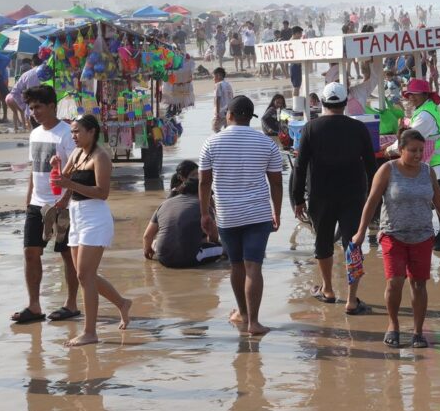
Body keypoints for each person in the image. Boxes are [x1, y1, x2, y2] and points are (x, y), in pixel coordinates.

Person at [351, 129, 440, 349]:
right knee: (395, 282)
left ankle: (418, 331)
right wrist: (361, 231)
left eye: (421, 150)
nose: (418, 155)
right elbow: (371, 201)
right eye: (412, 150)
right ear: (401, 150)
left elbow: (439, 201)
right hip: (393, 235)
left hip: (422, 235)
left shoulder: (428, 172)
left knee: (419, 284)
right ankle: (394, 325)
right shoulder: (387, 170)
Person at [199, 95, 283, 336]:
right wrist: (276, 212)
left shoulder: (211, 143)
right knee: (253, 266)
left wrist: (205, 213)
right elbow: (276, 183)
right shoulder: (266, 143)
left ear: (229, 115)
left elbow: (204, 182)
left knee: (236, 266)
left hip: (227, 215)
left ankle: (243, 314)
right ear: (250, 117)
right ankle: (254, 323)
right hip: (258, 214)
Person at [291, 82, 377, 313]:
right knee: (353, 244)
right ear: (344, 102)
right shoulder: (358, 128)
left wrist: (298, 198)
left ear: (322, 102)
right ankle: (352, 299)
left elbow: (299, 167)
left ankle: (328, 290)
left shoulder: (310, 128)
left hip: (321, 194)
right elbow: (371, 164)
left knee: (323, 240)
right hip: (353, 194)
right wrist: (374, 197)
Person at [55, 114, 131, 346]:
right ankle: (122, 303)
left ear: (92, 132)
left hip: (95, 217)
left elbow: (102, 192)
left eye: (77, 131)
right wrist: (57, 167)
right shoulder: (77, 153)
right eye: (72, 132)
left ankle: (90, 332)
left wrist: (70, 186)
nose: (74, 136)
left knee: (85, 275)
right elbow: (65, 176)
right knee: (83, 274)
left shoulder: (101, 157)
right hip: (77, 214)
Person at [12, 85, 80, 325]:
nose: (34, 112)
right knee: (31, 252)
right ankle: (34, 305)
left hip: (62, 203)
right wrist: (28, 198)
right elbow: (34, 169)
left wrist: (67, 197)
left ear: (52, 106)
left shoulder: (66, 134)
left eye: (38, 107)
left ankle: (71, 304)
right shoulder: (34, 133)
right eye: (31, 108)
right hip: (37, 203)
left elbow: (75, 170)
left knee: (67, 255)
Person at [387, 79, 440, 249]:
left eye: (414, 95)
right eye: (409, 94)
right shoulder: (426, 109)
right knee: (437, 199)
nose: (411, 98)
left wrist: (389, 149)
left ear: (425, 95)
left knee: (436, 200)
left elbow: (410, 138)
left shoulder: (425, 115)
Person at [143, 161, 223, 268]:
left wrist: (147, 250)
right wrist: (212, 245)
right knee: (224, 249)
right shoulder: (204, 207)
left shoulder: (165, 203)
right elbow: (213, 236)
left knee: (158, 241)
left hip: (164, 257)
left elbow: (147, 236)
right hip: (190, 258)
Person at [212, 67, 233, 133]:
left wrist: (217, 113)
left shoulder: (218, 85)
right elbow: (231, 97)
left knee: (215, 127)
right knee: (227, 128)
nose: (213, 79)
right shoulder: (228, 84)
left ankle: (220, 140)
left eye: (214, 76)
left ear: (218, 75)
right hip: (229, 111)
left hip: (221, 112)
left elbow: (218, 98)